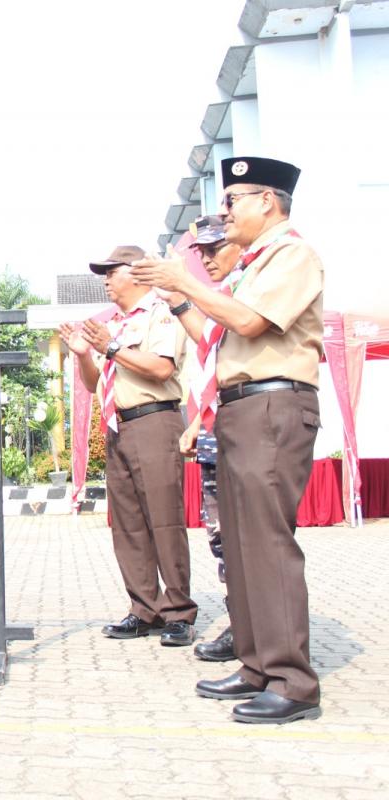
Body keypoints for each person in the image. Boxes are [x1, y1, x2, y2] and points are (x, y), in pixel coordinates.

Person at [133, 156, 324, 724]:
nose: (226, 211)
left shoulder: (292, 254)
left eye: (233, 200)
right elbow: (215, 335)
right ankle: (257, 665)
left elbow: (248, 323)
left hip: (274, 404)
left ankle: (292, 681)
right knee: (240, 547)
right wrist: (178, 298)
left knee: (267, 544)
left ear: (268, 200)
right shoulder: (252, 265)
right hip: (242, 408)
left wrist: (185, 282)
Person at [59, 245, 197, 648]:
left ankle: (179, 612)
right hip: (119, 426)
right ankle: (144, 608)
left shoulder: (160, 312)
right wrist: (83, 355)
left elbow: (161, 368)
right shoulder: (113, 324)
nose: (105, 280)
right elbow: (92, 383)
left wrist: (111, 348)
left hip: (154, 420)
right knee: (128, 524)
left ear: (136, 273)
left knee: (164, 521)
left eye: (111, 271)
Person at [145, 215, 243, 663]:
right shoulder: (222, 294)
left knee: (253, 538)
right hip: (213, 429)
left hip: (249, 426)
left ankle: (264, 634)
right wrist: (198, 421)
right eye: (200, 251)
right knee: (223, 540)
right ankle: (242, 626)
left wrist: (184, 288)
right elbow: (211, 349)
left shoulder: (252, 285)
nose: (205, 258)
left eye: (214, 248)